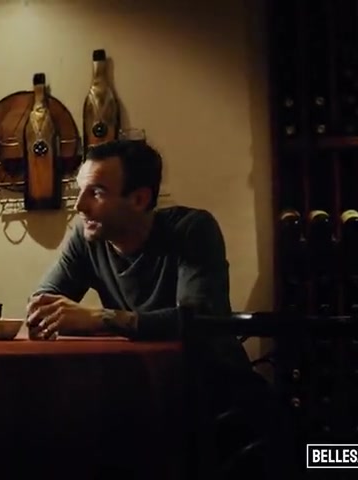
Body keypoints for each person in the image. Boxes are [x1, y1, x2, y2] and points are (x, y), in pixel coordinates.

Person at [26, 137, 295, 478]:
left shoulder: (192, 229)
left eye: (96, 192)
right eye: (80, 191)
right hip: (144, 393)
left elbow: (195, 321)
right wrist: (46, 315)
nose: (80, 205)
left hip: (216, 398)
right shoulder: (86, 238)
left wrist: (103, 319)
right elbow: (44, 300)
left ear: (140, 199)